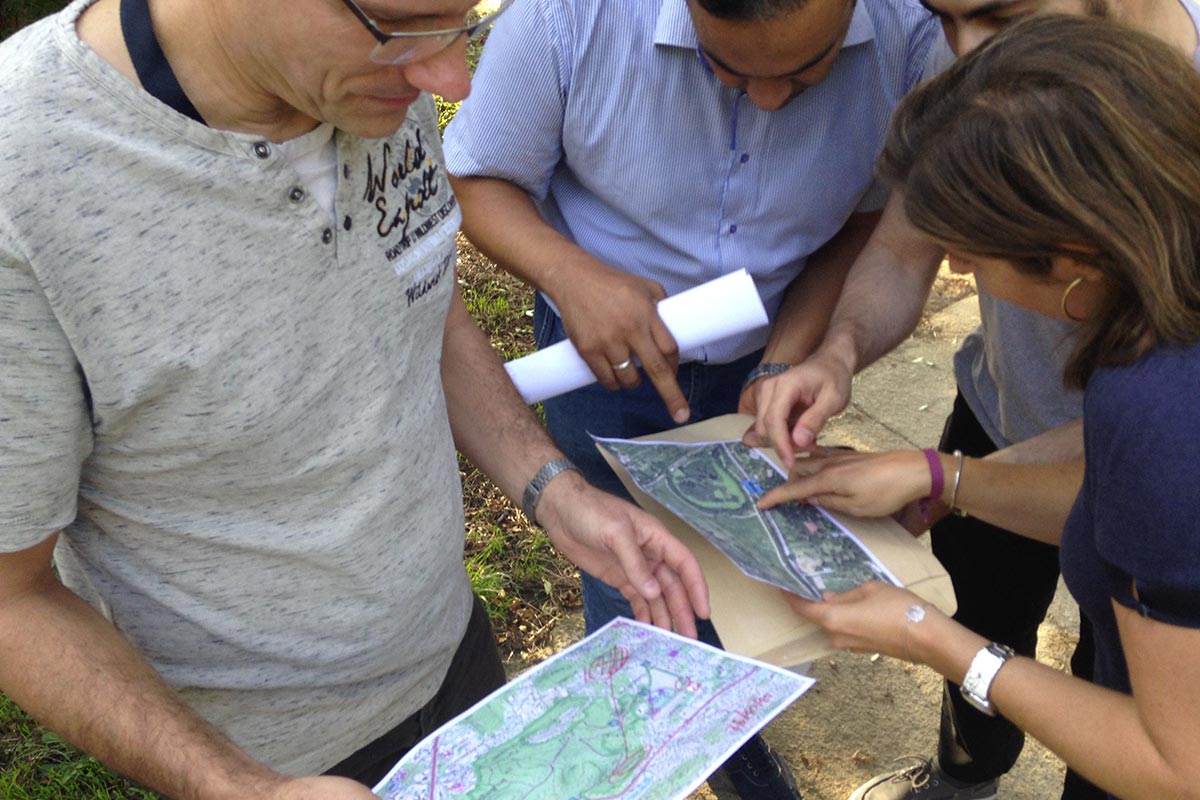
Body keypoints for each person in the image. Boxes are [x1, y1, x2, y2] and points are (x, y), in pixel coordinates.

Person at [0, 0, 712, 796]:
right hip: (260, 755)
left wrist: (552, 488)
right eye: (403, 22)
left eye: (462, 19)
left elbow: (417, 294)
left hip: (454, 656)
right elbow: (12, 599)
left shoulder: (374, 87)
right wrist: (242, 786)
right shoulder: (21, 184)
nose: (450, 78)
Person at [442, 2, 939, 795]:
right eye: (730, 69)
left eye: (808, 73)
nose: (768, 101)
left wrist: (791, 356)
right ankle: (649, 729)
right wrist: (572, 277)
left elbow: (870, 221)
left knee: (760, 554)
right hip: (603, 359)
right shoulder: (568, 19)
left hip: (782, 331)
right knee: (622, 554)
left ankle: (731, 712)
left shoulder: (911, 33)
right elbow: (474, 176)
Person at [742, 0, 1200, 794]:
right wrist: (943, 476)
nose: (952, 273)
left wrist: (933, 639)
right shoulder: (1166, 318)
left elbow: (1175, 763)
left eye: (974, 252)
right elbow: (1111, 487)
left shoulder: (1151, 403)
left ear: (1075, 254)